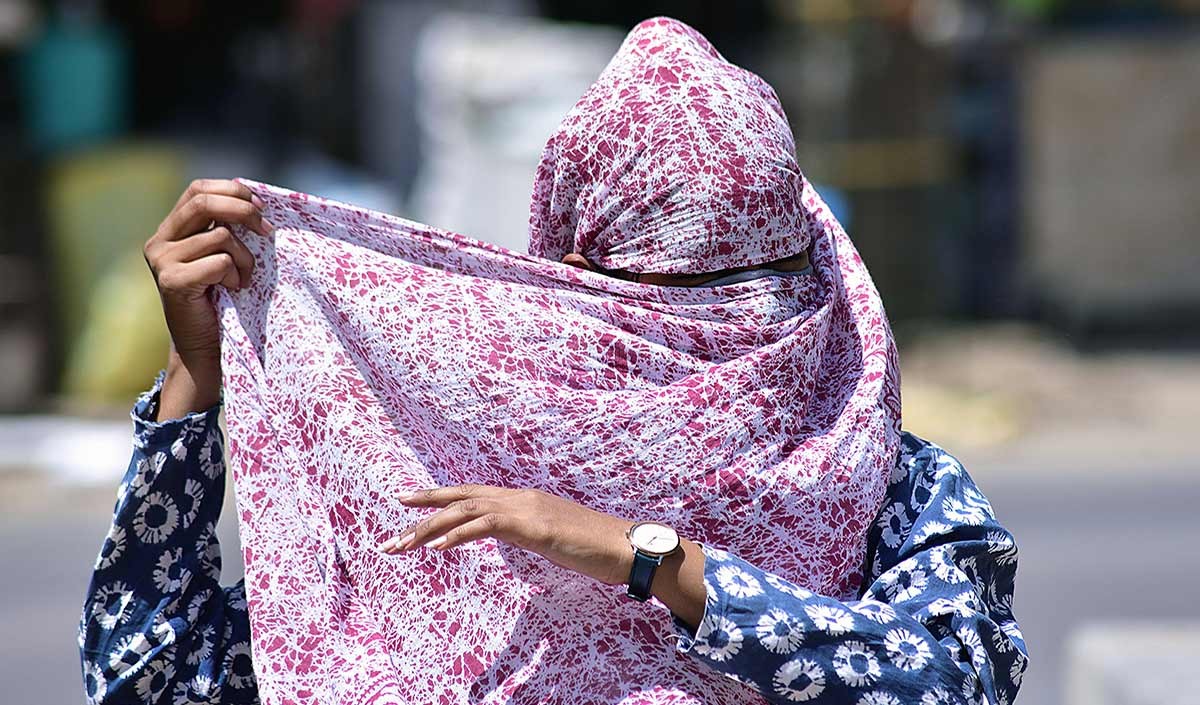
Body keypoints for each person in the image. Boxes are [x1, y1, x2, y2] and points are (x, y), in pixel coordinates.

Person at [80, 19, 1028, 705]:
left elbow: (958, 680)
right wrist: (195, 379)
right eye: (675, 314)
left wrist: (649, 557)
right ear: (575, 289)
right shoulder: (460, 509)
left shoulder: (884, 486)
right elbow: (155, 675)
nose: (736, 353)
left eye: (756, 295)